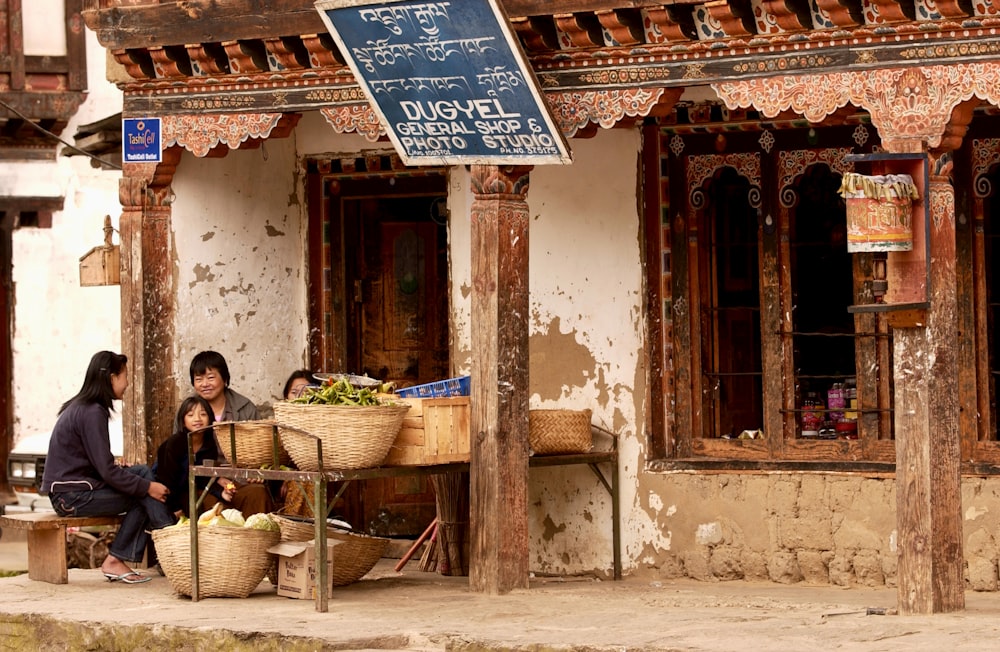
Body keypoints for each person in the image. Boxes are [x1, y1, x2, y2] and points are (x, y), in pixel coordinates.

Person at [40, 350, 175, 584]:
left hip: (74, 491)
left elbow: (98, 462)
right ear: (111, 378)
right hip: (71, 497)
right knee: (141, 492)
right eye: (124, 376)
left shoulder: (84, 407)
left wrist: (130, 475)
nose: (127, 383)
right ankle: (173, 549)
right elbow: (106, 471)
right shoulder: (92, 411)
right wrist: (148, 488)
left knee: (142, 474)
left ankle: (168, 546)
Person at [154, 395, 271, 519]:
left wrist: (221, 492)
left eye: (203, 414)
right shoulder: (174, 444)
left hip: (195, 491)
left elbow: (204, 478)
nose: (197, 419)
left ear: (210, 418)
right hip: (169, 496)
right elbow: (166, 481)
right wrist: (175, 508)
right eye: (190, 415)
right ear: (183, 421)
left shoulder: (209, 443)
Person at [190, 350, 259, 423]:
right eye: (199, 379)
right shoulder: (185, 411)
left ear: (225, 378)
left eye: (211, 378)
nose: (204, 384)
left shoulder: (245, 409)